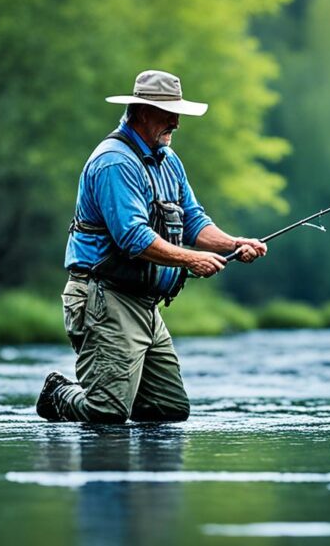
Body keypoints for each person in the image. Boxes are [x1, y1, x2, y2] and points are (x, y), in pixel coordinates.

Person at [35, 69, 267, 424]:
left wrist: (233, 243)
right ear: (141, 112)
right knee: (106, 413)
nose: (176, 121)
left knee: (168, 410)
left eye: (178, 113)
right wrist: (191, 259)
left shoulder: (168, 160)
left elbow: (194, 220)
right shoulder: (115, 162)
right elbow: (132, 237)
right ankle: (58, 395)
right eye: (167, 113)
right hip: (105, 297)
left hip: (144, 303)